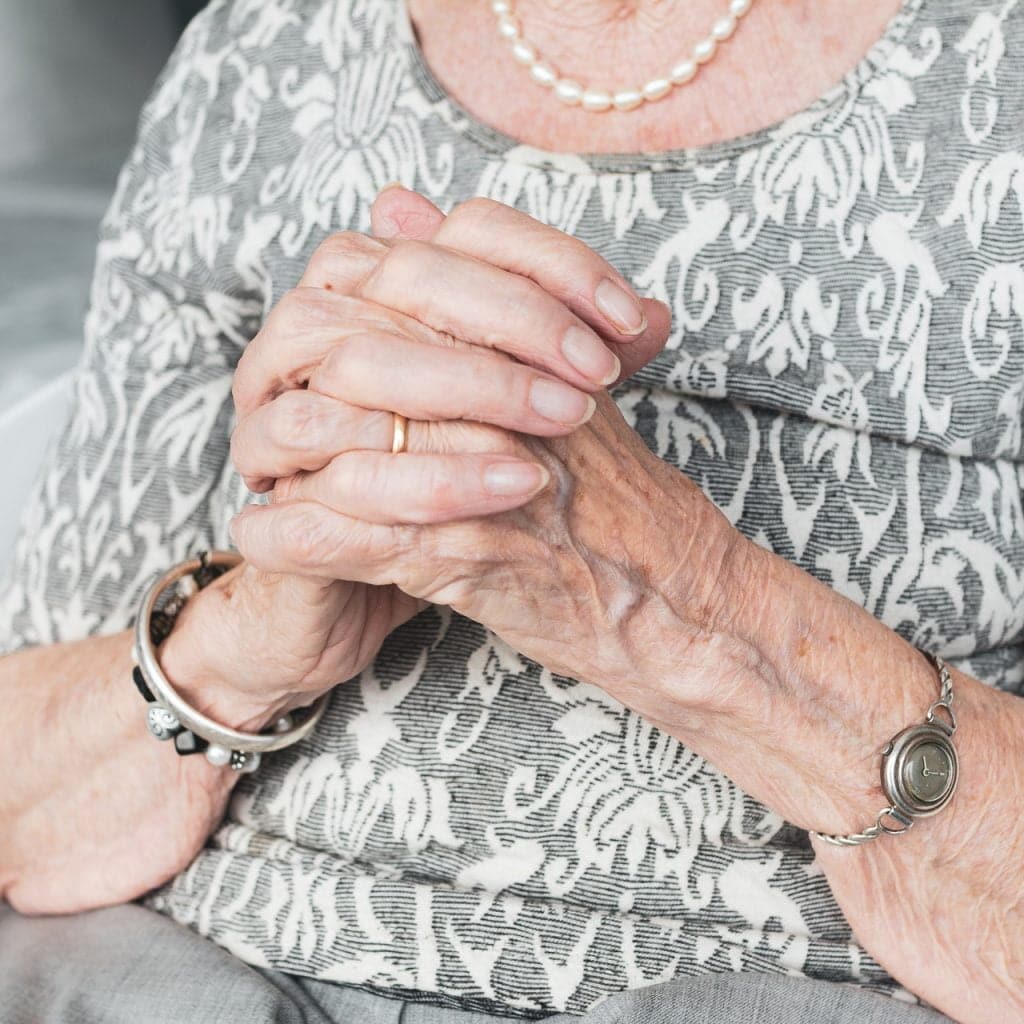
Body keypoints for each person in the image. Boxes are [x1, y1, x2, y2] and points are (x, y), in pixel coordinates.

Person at [0, 0, 1021, 1021]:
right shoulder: (271, 46)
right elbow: (22, 800)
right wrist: (247, 632)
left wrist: (681, 602)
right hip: (187, 974)